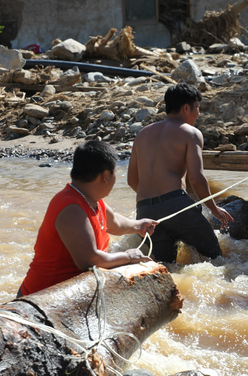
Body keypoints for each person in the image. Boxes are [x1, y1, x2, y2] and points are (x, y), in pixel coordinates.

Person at [19, 141, 157, 296]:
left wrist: (139, 226)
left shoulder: (91, 200)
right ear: (105, 176)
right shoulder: (71, 208)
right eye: (115, 172)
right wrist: (130, 256)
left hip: (68, 294)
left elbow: (116, 223)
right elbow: (90, 260)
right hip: (40, 298)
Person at [127, 83, 233, 263]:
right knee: (215, 260)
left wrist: (155, 203)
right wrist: (214, 209)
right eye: (197, 108)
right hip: (176, 205)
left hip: (145, 209)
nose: (198, 113)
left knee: (166, 266)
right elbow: (197, 178)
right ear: (186, 108)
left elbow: (131, 180)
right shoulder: (190, 133)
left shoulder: (142, 134)